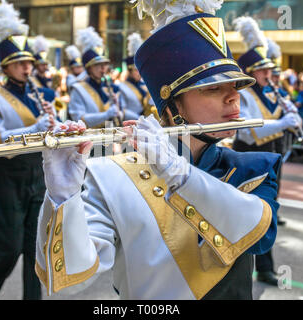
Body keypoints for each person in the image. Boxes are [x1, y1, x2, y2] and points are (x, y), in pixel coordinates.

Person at [35, 0, 280, 300]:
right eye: (213, 88)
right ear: (173, 105)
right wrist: (64, 198)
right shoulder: (111, 175)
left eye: (235, 86)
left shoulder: (255, 168)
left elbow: (261, 236)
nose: (233, 98)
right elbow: (70, 280)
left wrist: (179, 172)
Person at [0, 0, 56, 300]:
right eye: (20, 63)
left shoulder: (44, 93)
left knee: (34, 251)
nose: (27, 68)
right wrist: (34, 128)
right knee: (8, 250)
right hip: (7, 176)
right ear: (6, 66)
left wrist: (58, 125)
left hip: (37, 174)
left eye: (29, 63)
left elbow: (47, 128)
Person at [232, 16, 300, 286]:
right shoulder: (244, 94)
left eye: (269, 70)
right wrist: (282, 122)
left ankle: (265, 267)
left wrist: (291, 122)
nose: (268, 74)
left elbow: (282, 126)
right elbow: (249, 130)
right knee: (246, 213)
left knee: (268, 211)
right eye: (262, 71)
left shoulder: (274, 93)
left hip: (272, 157)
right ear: (250, 71)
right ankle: (241, 268)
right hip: (248, 157)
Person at [68, 27, 122, 128]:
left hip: (109, 138)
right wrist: (106, 114)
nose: (102, 68)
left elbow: (120, 115)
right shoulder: (78, 89)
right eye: (97, 65)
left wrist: (117, 109)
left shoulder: (112, 87)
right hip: (90, 139)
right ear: (88, 68)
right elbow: (78, 119)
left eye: (104, 64)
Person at [118, 33, 154, 120]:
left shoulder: (145, 85)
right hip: (131, 123)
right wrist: (139, 118)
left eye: (140, 70)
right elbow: (122, 110)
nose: (139, 73)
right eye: (136, 70)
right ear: (129, 71)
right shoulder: (120, 87)